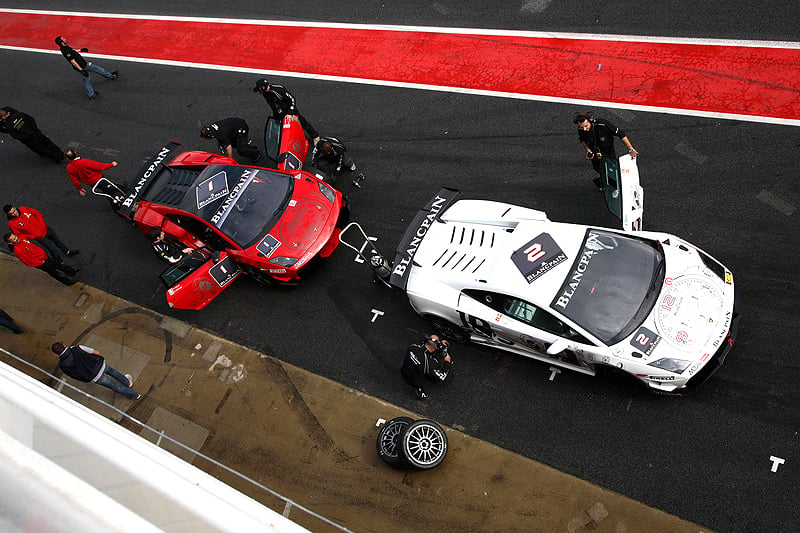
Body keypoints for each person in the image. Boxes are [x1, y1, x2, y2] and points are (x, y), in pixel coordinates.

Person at [50, 342, 141, 399]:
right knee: (113, 372)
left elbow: (74, 376)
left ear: (57, 355)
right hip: (100, 365)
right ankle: (127, 382)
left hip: (94, 376)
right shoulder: (77, 348)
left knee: (114, 386)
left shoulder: (62, 365)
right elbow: (96, 352)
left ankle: (134, 395)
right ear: (64, 345)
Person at [573, 111, 638, 187]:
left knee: (612, 171)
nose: (584, 129)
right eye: (581, 127)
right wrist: (588, 150)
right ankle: (604, 182)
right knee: (599, 169)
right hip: (595, 154)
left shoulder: (603, 125)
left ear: (590, 121)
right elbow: (582, 139)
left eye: (586, 126)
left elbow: (621, 134)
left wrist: (630, 149)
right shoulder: (580, 129)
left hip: (608, 152)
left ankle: (614, 187)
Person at [252, 78, 320, 144]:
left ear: (263, 88)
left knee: (301, 122)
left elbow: (292, 99)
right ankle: (296, 137)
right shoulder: (265, 94)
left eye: (260, 90)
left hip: (289, 110)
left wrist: (290, 113)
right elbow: (272, 103)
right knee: (281, 126)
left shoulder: (278, 90)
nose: (259, 92)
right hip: (278, 111)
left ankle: (315, 136)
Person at [4, 204, 78, 262]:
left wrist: (42, 224)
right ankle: (58, 260)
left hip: (47, 229)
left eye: (14, 211)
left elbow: (36, 212)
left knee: (58, 241)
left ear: (14, 207)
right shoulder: (12, 224)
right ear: (8, 214)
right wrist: (32, 236)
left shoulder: (23, 209)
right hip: (40, 237)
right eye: (12, 213)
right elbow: (19, 235)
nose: (15, 213)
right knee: (52, 249)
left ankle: (67, 252)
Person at [4, 233, 80, 286]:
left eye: (14, 237)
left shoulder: (21, 238)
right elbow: (27, 261)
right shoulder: (18, 250)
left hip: (44, 256)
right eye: (13, 239)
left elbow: (29, 236)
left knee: (59, 265)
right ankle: (67, 281)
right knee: (54, 272)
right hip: (41, 262)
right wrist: (41, 262)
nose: (16, 238)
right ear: (10, 242)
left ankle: (72, 271)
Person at [0, 106, 65, 163]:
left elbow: (15, 136)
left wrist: (26, 135)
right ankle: (60, 153)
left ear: (3, 117)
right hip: (36, 132)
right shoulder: (19, 114)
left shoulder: (8, 125)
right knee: (48, 142)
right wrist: (35, 129)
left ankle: (58, 158)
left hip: (29, 139)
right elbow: (31, 120)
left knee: (43, 149)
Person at [401, 334, 453, 400]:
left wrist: (438, 343)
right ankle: (420, 391)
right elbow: (442, 377)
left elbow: (426, 348)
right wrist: (448, 362)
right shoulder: (430, 364)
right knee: (448, 378)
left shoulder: (414, 345)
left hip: (404, 371)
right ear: (436, 347)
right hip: (416, 381)